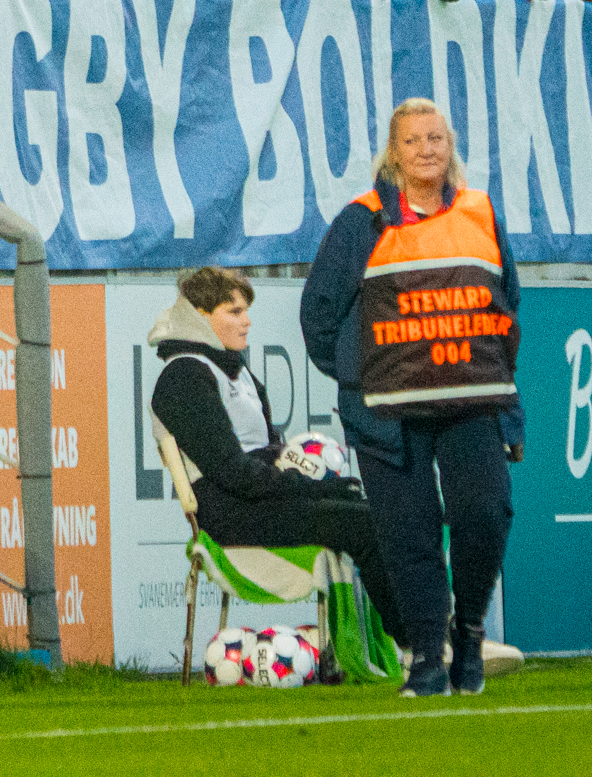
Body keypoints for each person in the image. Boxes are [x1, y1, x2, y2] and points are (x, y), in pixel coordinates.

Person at [298, 98, 517, 699]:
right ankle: (426, 655)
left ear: (452, 147)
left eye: (436, 138)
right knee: (408, 532)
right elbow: (318, 315)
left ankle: (467, 631)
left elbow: (505, 312)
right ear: (393, 154)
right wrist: (359, 379)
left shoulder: (479, 213)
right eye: (414, 141)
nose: (426, 149)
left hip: (470, 402)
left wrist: (511, 414)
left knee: (485, 514)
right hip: (386, 416)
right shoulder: (360, 222)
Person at [144, 264, 403, 657]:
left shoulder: (236, 369)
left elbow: (269, 452)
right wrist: (311, 486)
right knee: (364, 522)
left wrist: (305, 475)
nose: (247, 322)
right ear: (198, 315)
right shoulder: (183, 376)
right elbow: (230, 471)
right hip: (227, 512)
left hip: (257, 497)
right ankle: (423, 645)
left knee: (376, 510)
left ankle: (432, 635)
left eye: (246, 310)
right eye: (233, 312)